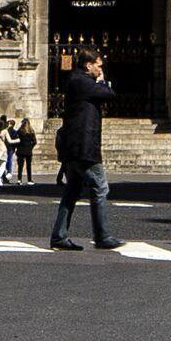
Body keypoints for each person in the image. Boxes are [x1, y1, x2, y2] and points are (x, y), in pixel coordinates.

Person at [47, 51, 120, 251]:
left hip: (75, 145)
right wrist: (102, 81)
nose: (101, 69)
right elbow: (109, 94)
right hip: (83, 147)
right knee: (100, 187)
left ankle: (59, 236)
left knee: (72, 191)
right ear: (88, 65)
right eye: (99, 65)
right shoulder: (83, 82)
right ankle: (102, 236)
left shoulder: (78, 81)